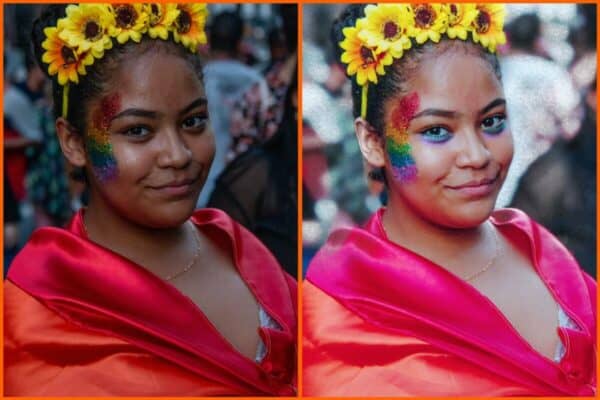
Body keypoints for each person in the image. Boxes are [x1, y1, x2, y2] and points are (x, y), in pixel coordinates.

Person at [303, 4, 596, 396]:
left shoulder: (540, 249)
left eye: (491, 122)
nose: (477, 156)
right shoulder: (344, 307)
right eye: (437, 130)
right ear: (372, 142)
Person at [5, 4, 296, 396]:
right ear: (73, 142)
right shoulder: (43, 305)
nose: (177, 155)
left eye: (193, 122)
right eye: (138, 130)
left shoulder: (239, 247)